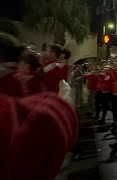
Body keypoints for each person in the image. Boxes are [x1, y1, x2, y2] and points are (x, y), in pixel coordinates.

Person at [0, 32, 78, 180]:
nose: (44, 53)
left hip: (47, 102)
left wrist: (62, 103)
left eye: (48, 51)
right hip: (46, 104)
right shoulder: (40, 68)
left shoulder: (56, 66)